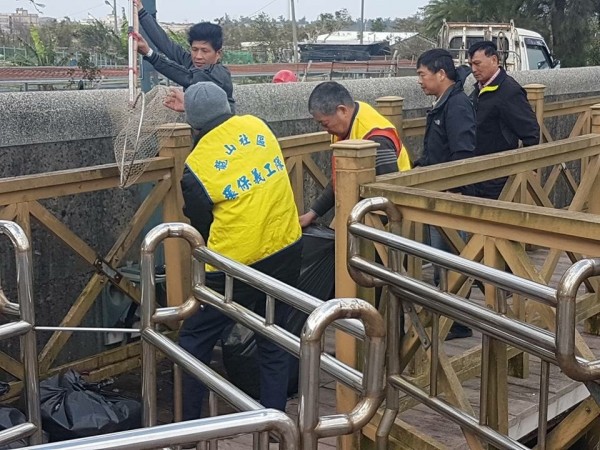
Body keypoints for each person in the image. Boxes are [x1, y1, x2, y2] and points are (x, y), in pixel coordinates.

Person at [179, 81, 303, 419]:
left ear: (193, 124)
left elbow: (200, 225)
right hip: (285, 249)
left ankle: (189, 425)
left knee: (194, 340)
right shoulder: (257, 126)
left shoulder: (196, 165)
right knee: (273, 337)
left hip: (234, 268)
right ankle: (274, 419)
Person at [415, 48, 476, 340]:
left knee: (451, 258)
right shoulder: (443, 103)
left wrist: (450, 189)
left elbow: (463, 153)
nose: (420, 81)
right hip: (438, 192)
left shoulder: (457, 104)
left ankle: (458, 321)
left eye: (422, 75)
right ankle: (448, 317)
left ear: (441, 74)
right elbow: (435, 151)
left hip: (450, 196)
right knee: (441, 260)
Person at [299, 81, 412, 227]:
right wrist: (313, 213)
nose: (325, 130)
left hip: (391, 217)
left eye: (325, 124)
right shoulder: (350, 118)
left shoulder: (377, 138)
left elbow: (387, 197)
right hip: (360, 207)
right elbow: (340, 179)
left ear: (342, 110)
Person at [468, 40, 540, 200]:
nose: (473, 69)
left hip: (498, 176)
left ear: (494, 60)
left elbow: (530, 131)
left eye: (477, 63)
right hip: (476, 172)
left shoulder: (509, 91)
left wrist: (531, 167)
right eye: (471, 64)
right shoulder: (479, 89)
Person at [133, 0, 235, 113]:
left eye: (205, 51)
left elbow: (188, 77)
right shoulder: (193, 63)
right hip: (202, 129)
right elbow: (166, 45)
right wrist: (141, 11)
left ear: (218, 54)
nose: (198, 56)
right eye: (194, 49)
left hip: (224, 129)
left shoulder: (220, 74)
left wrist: (149, 53)